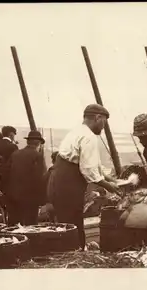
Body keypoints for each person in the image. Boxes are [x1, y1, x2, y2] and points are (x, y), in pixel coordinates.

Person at [47, 104, 122, 249]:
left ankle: (74, 251)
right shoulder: (89, 137)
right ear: (97, 117)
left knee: (67, 222)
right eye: (104, 122)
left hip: (59, 183)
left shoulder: (76, 132)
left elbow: (93, 166)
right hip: (68, 185)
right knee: (72, 224)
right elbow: (88, 170)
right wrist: (110, 187)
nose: (103, 126)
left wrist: (110, 179)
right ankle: (75, 253)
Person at [5, 130, 47, 226]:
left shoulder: (15, 154)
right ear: (39, 144)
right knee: (30, 226)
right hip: (31, 199)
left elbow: (6, 174)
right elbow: (40, 178)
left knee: (15, 226)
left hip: (14, 197)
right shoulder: (38, 156)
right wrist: (42, 200)